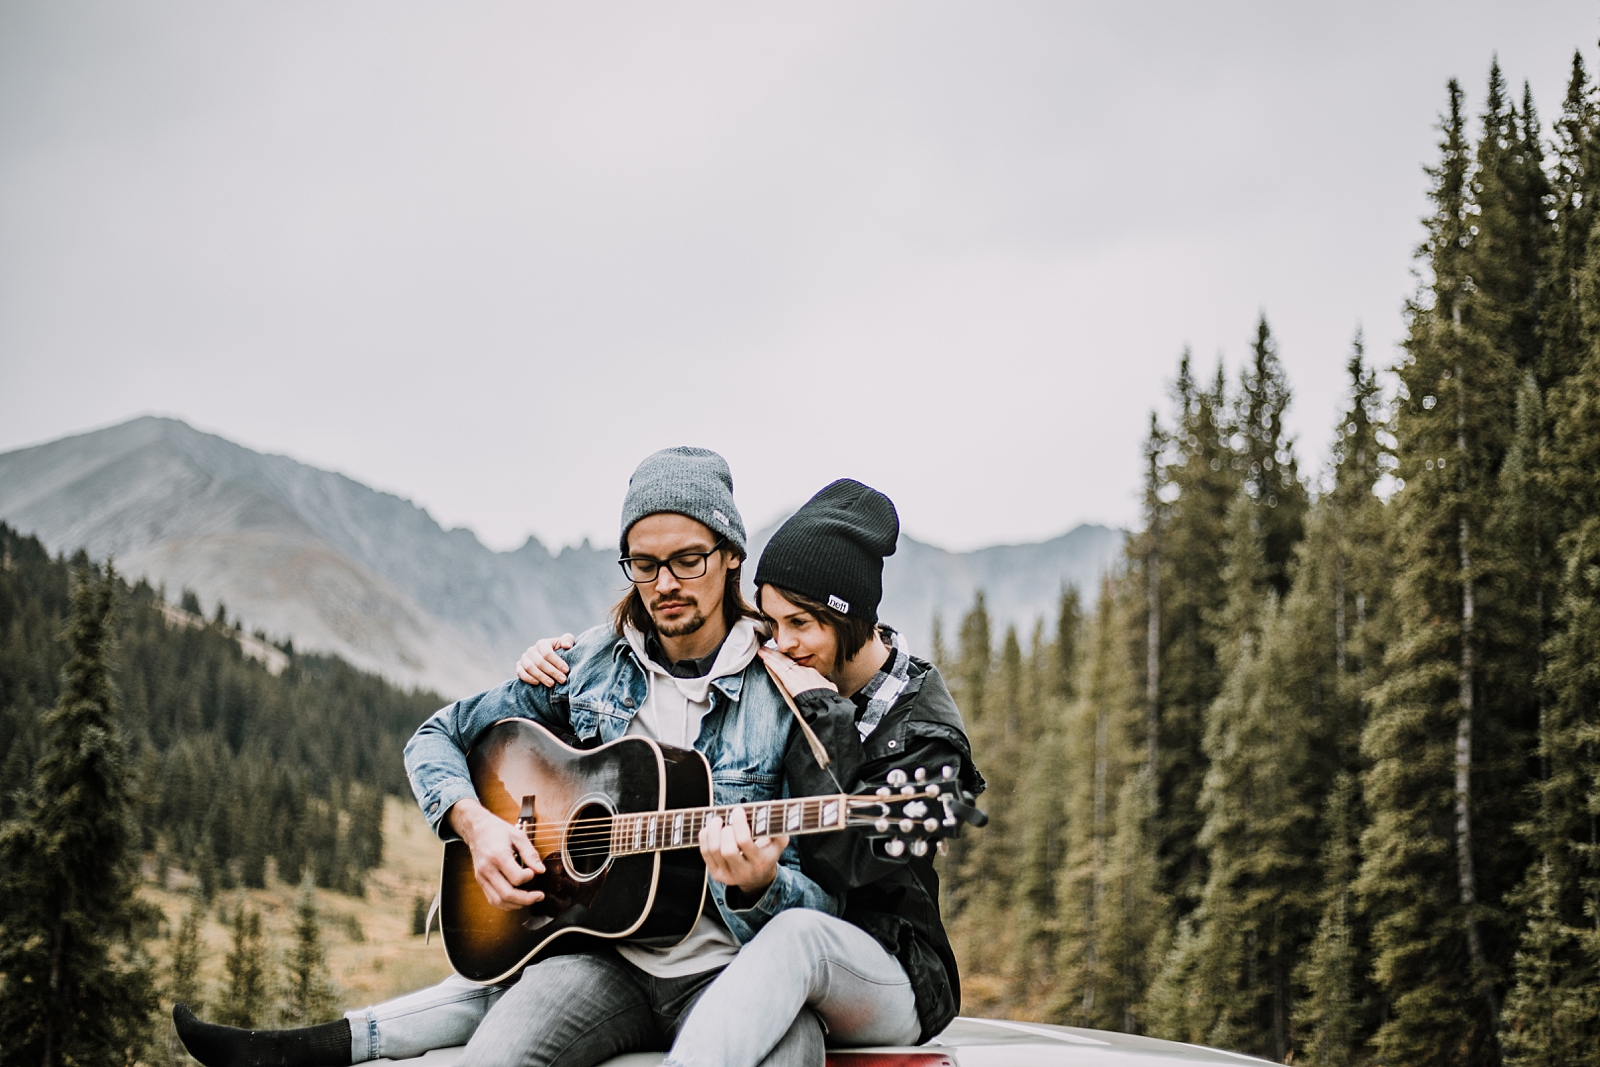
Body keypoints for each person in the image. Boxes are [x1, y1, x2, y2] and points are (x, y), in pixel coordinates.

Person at [174, 447, 838, 1067]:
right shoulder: (587, 665)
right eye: (643, 563)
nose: (664, 582)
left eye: (687, 559)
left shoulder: (788, 687)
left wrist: (758, 884)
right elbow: (437, 735)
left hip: (736, 969)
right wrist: (478, 825)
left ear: (729, 556)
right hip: (599, 960)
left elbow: (829, 906)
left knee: (795, 1044)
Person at [519, 479, 985, 1067]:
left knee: (796, 938)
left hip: (892, 967)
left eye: (801, 624)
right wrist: (551, 663)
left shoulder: (922, 728)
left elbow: (842, 860)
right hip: (777, 968)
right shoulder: (792, 673)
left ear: (854, 621)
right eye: (772, 621)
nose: (781, 643)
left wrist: (824, 712)